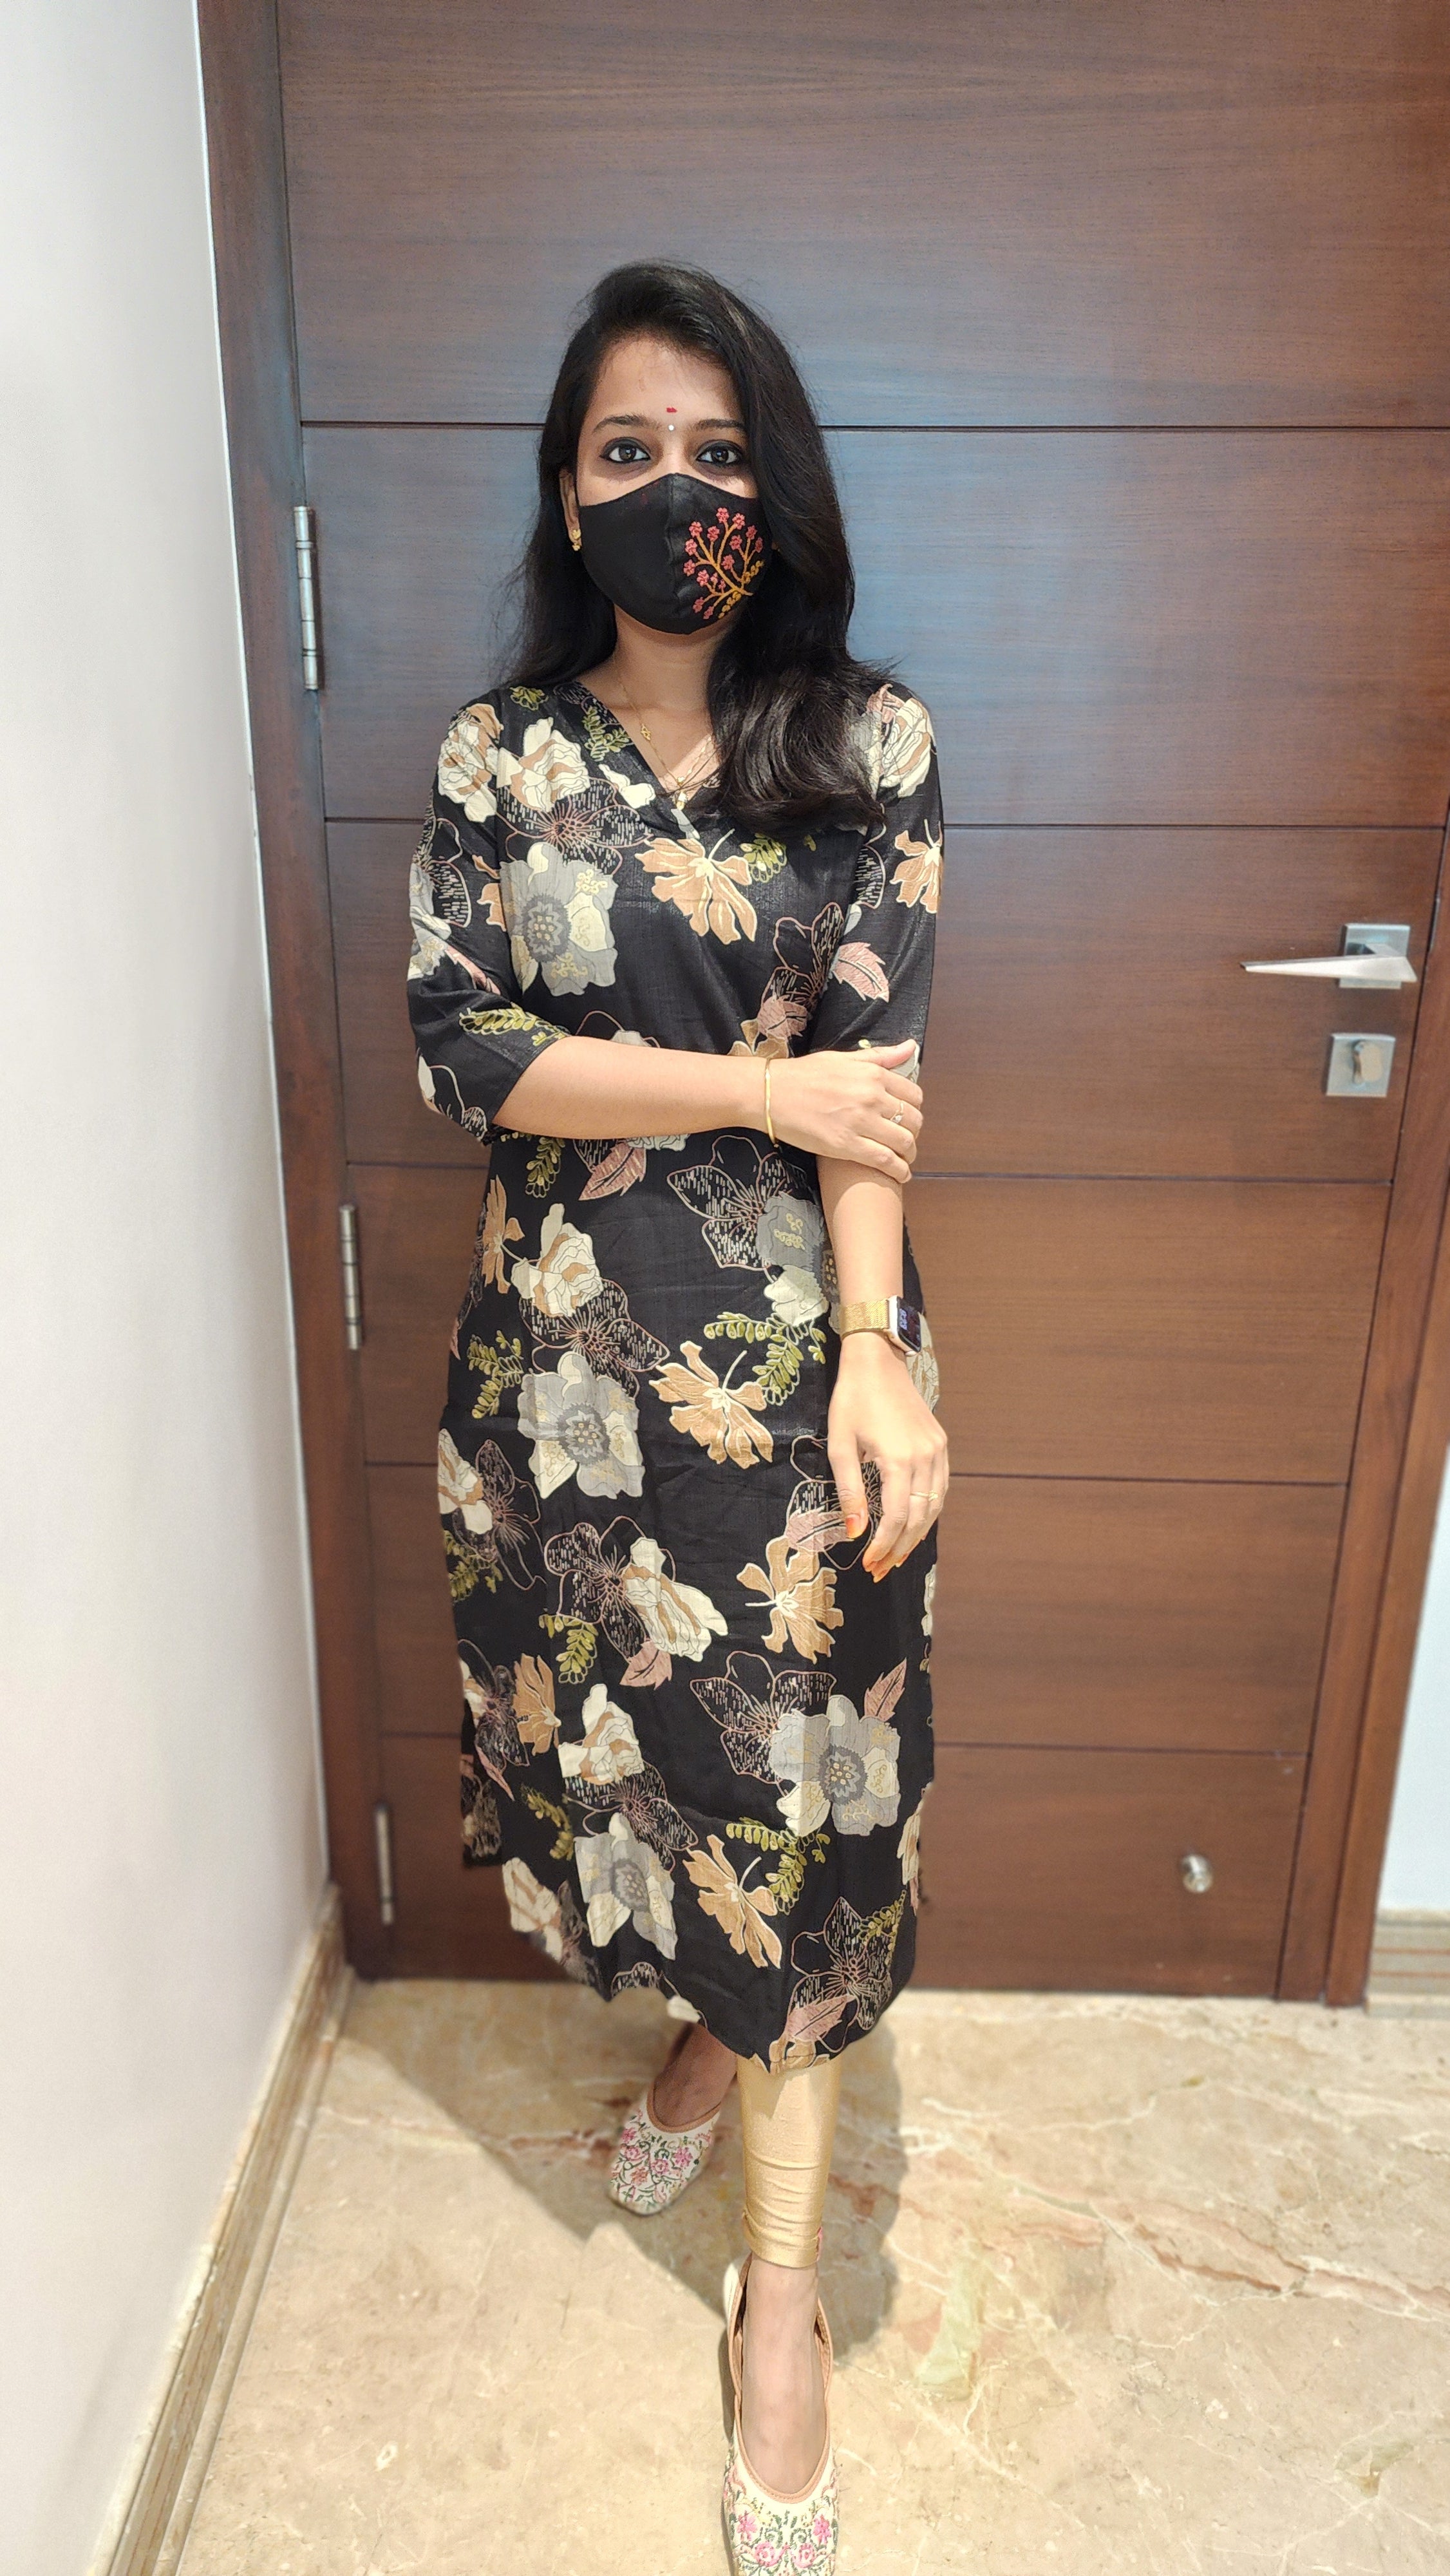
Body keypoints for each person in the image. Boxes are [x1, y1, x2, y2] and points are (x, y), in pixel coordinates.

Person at [408, 258, 946, 2573]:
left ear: (773, 481)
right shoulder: (499, 757)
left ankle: (780, 2306)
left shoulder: (869, 746)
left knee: (797, 1799)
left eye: (716, 453)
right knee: (628, 1751)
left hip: (793, 1360)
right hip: (559, 1375)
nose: (673, 491)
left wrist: (880, 1347)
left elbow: (875, 1088)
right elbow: (470, 1053)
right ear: (566, 494)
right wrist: (750, 1081)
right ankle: (699, 2031)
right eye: (627, 452)